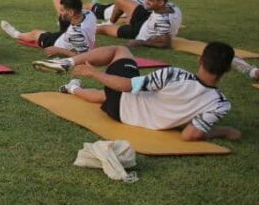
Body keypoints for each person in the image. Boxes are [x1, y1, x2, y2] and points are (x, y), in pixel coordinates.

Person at [37, 43, 239, 142]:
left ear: (200, 60)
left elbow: (126, 86)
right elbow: (189, 135)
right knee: (105, 95)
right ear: (227, 69)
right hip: (121, 114)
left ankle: (68, 62)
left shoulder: (175, 75)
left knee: (120, 50)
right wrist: (224, 131)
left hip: (122, 100)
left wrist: (93, 73)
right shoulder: (220, 103)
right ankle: (72, 88)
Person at [0, 0, 96, 57]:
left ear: (71, 12)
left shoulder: (76, 34)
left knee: (35, 33)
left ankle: (17, 34)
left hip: (59, 42)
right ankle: (63, 22)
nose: (60, 12)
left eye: (62, 10)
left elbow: (82, 57)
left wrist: (58, 50)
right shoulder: (88, 14)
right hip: (71, 28)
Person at [95, 0, 182, 49]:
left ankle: (85, 30)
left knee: (102, 29)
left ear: (161, 2)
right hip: (147, 18)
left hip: (137, 31)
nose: (146, 2)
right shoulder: (172, 6)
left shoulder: (163, 22)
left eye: (150, 0)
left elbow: (165, 43)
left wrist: (141, 42)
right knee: (120, 0)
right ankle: (110, 22)